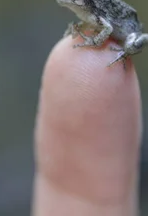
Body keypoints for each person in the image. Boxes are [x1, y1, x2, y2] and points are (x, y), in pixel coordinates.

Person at [32, 35, 142, 216]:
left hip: (131, 32)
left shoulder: (98, 11)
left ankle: (123, 52)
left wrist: (93, 42)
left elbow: (106, 28)